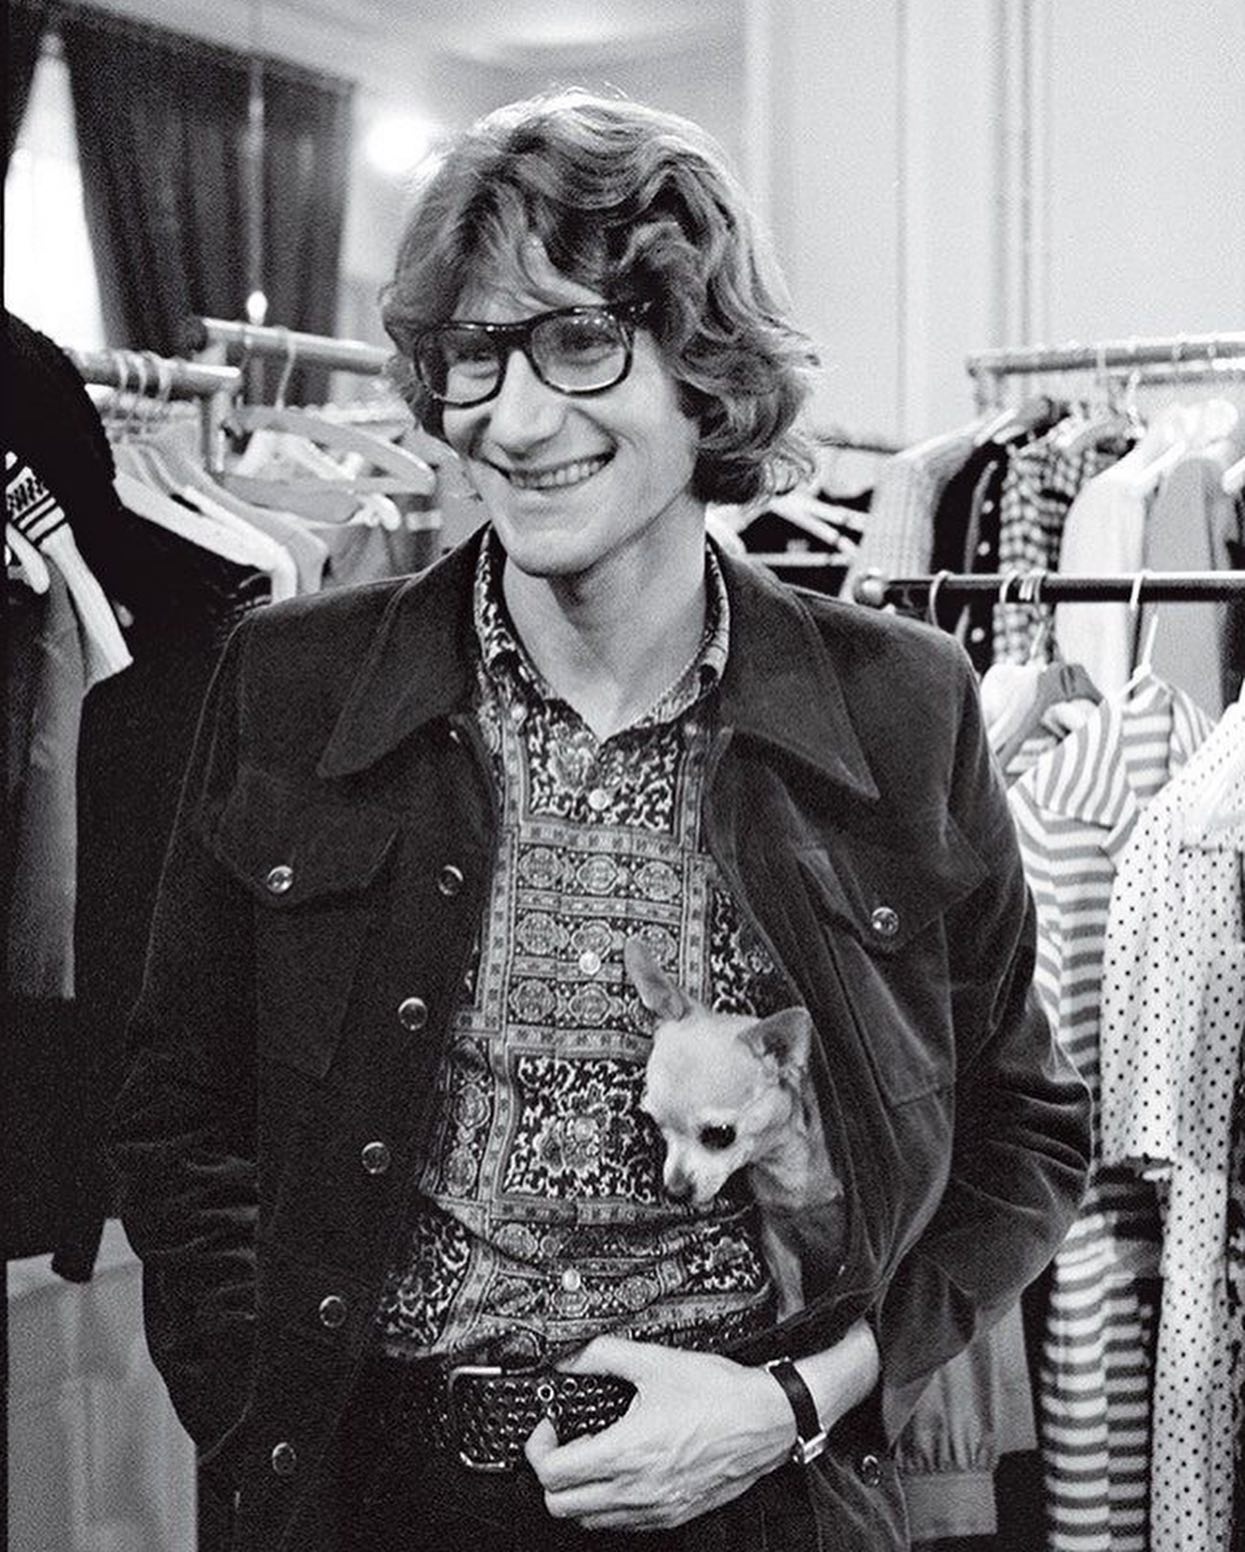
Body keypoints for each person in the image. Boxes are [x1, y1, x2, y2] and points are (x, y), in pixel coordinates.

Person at [110, 91, 1091, 1552]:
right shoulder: (296, 680)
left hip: (760, 1497)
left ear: (707, 371)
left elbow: (1024, 1131)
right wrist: (261, 1417)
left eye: (579, 341)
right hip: (377, 1501)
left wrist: (803, 1400)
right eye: (472, 354)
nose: (511, 421)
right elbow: (181, 1110)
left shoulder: (898, 705)